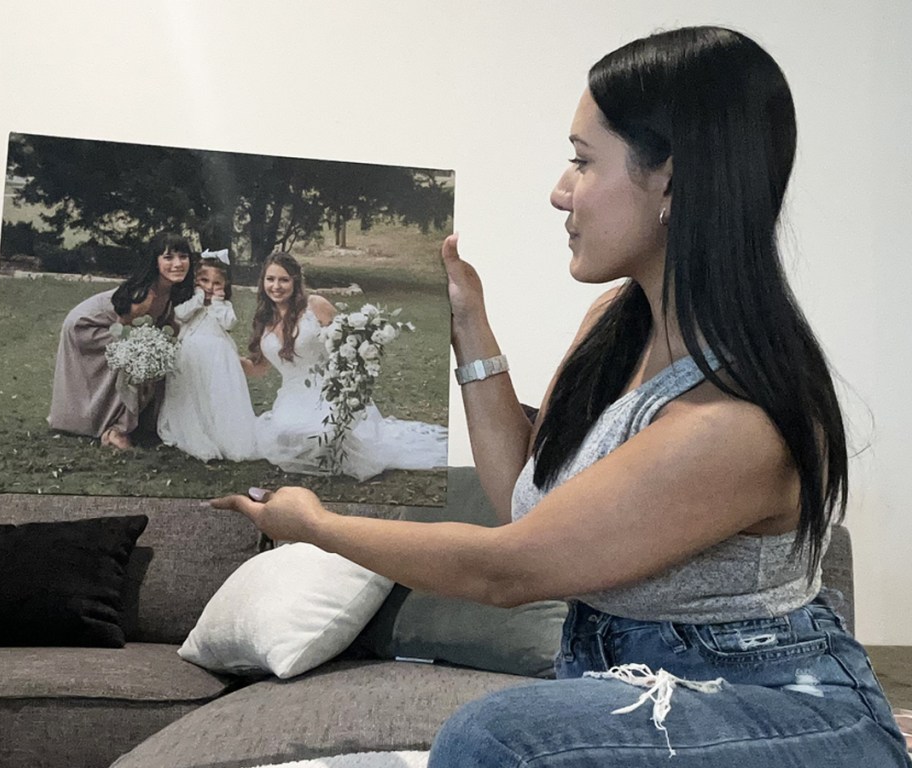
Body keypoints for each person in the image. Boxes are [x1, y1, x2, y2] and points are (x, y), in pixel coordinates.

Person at [212, 26, 912, 766]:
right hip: (640, 686)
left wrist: (314, 524)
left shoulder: (734, 419)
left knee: (494, 739)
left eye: (582, 161)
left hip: (774, 705)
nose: (559, 190)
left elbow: (506, 568)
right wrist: (468, 322)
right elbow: (527, 495)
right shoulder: (614, 322)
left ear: (672, 178)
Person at [243, 252, 448, 480]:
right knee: (285, 434)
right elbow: (259, 369)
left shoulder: (315, 306)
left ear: (295, 281)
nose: (276, 286)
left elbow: (349, 343)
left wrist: (351, 382)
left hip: (330, 390)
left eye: (284, 280)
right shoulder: (263, 318)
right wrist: (223, 357)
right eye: (270, 279)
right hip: (291, 396)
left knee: (324, 433)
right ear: (263, 282)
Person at [48, 232, 194, 450]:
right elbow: (124, 334)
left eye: (183, 257)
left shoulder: (170, 291)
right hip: (89, 326)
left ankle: (144, 422)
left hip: (122, 330)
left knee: (152, 356)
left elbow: (169, 325)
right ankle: (116, 430)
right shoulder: (145, 296)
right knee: (136, 365)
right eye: (168, 258)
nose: (178, 264)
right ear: (155, 261)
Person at [157, 250, 257, 461]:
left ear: (225, 285)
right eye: (204, 280)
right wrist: (198, 299)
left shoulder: (224, 306)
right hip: (191, 354)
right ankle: (192, 428)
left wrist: (218, 304)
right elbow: (180, 315)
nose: (210, 287)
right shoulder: (190, 302)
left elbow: (230, 323)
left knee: (216, 394)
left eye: (216, 283)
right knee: (191, 391)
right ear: (195, 280)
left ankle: (219, 432)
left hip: (217, 356)